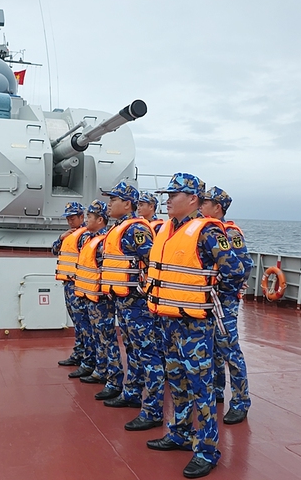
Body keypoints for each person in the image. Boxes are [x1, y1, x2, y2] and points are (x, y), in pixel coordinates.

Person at [145, 173, 244, 479]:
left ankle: (207, 450)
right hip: (167, 320)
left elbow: (235, 270)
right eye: (167, 195)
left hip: (195, 325)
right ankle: (180, 433)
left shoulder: (207, 232)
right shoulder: (166, 229)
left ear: (192, 199)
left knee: (201, 389)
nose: (167, 200)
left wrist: (211, 301)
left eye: (173, 195)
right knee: (176, 382)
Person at [100, 182, 165, 432]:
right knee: (132, 349)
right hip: (122, 300)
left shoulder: (136, 229)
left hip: (136, 302)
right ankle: (132, 393)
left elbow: (152, 261)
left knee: (148, 354)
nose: (109, 204)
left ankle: (153, 411)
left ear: (127, 204)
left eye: (113, 200)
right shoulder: (118, 228)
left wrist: (145, 291)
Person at [200, 186, 254, 425]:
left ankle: (241, 402)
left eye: (205, 202)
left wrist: (226, 293)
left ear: (217, 207)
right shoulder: (205, 230)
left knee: (230, 351)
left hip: (223, 302)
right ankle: (217, 390)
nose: (201, 205)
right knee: (212, 349)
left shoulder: (229, 233)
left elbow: (244, 266)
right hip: (207, 301)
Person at [74, 200, 123, 400]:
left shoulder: (103, 242)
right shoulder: (89, 239)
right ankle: (100, 370)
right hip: (89, 297)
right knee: (97, 338)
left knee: (107, 340)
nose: (86, 220)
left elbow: (107, 269)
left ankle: (114, 380)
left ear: (100, 219)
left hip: (101, 299)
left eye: (89, 217)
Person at [53, 202, 95, 376]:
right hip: (68, 285)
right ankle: (79, 354)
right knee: (77, 323)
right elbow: (54, 250)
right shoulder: (69, 235)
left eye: (73, 217)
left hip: (78, 285)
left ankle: (88, 360)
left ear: (81, 217)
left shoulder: (85, 235)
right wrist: (61, 238)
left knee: (84, 324)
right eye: (68, 218)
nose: (70, 221)